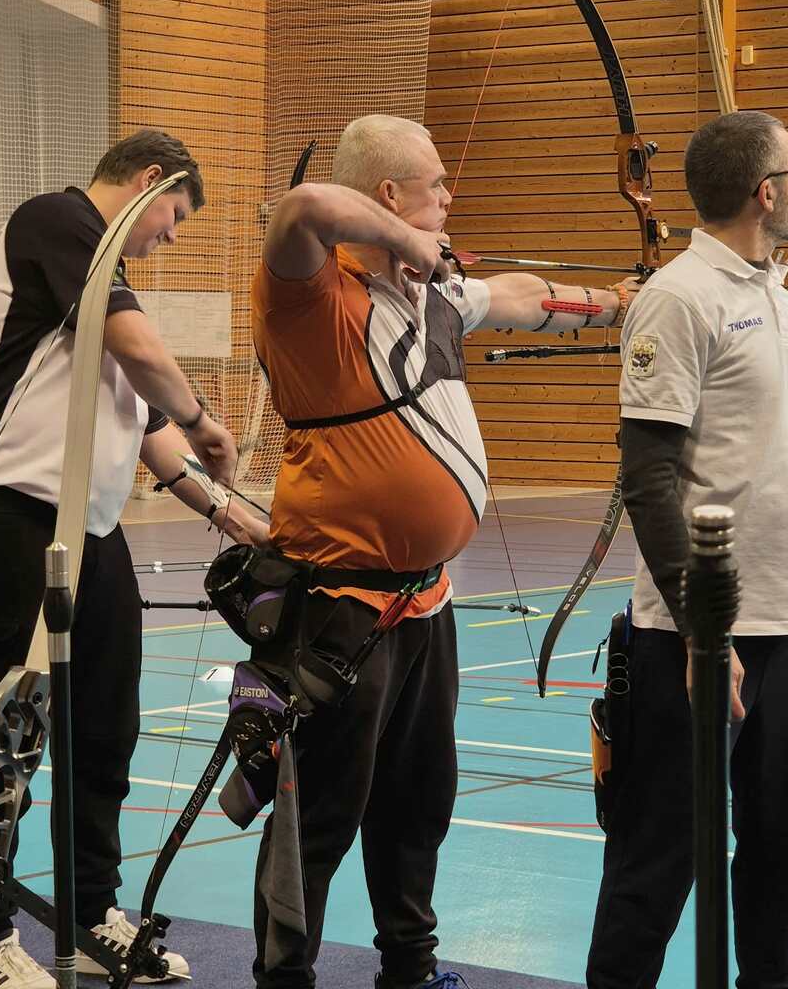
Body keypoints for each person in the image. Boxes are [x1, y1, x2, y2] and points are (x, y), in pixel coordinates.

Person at [250, 112, 640, 989]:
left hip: (426, 600)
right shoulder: (310, 294)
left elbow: (521, 297)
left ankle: (411, 967)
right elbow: (304, 207)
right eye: (436, 186)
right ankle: (284, 978)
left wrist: (617, 301)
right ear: (389, 196)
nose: (451, 198)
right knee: (319, 813)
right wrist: (409, 245)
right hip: (337, 605)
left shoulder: (433, 297)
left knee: (418, 799)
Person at [0, 128, 268, 989]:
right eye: (174, 215)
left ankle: (92, 911)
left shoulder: (99, 294)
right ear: (149, 180)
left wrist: (235, 516)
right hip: (10, 519)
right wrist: (207, 418)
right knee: (3, 735)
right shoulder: (59, 222)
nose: (169, 235)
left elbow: (151, 435)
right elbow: (148, 362)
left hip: (91, 534)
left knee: (104, 731)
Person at [585, 110, 788, 989]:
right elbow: (648, 477)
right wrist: (700, 632)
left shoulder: (781, 301)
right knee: (657, 862)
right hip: (694, 639)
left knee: (785, 853)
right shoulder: (681, 299)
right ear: (766, 191)